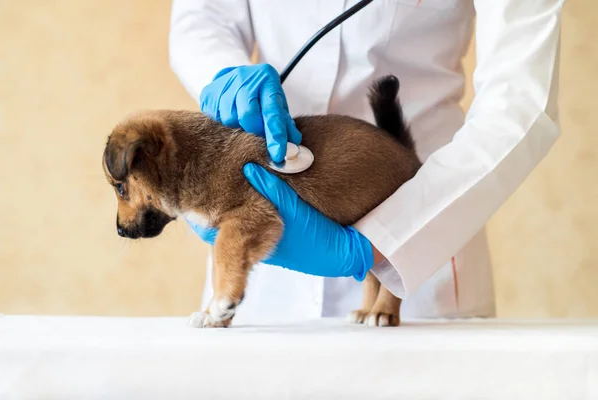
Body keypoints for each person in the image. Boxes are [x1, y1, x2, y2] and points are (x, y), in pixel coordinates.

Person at [168, 0, 564, 324]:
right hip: (268, 277)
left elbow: (521, 99)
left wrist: (389, 237)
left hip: (424, 221)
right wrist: (221, 75)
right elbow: (202, 17)